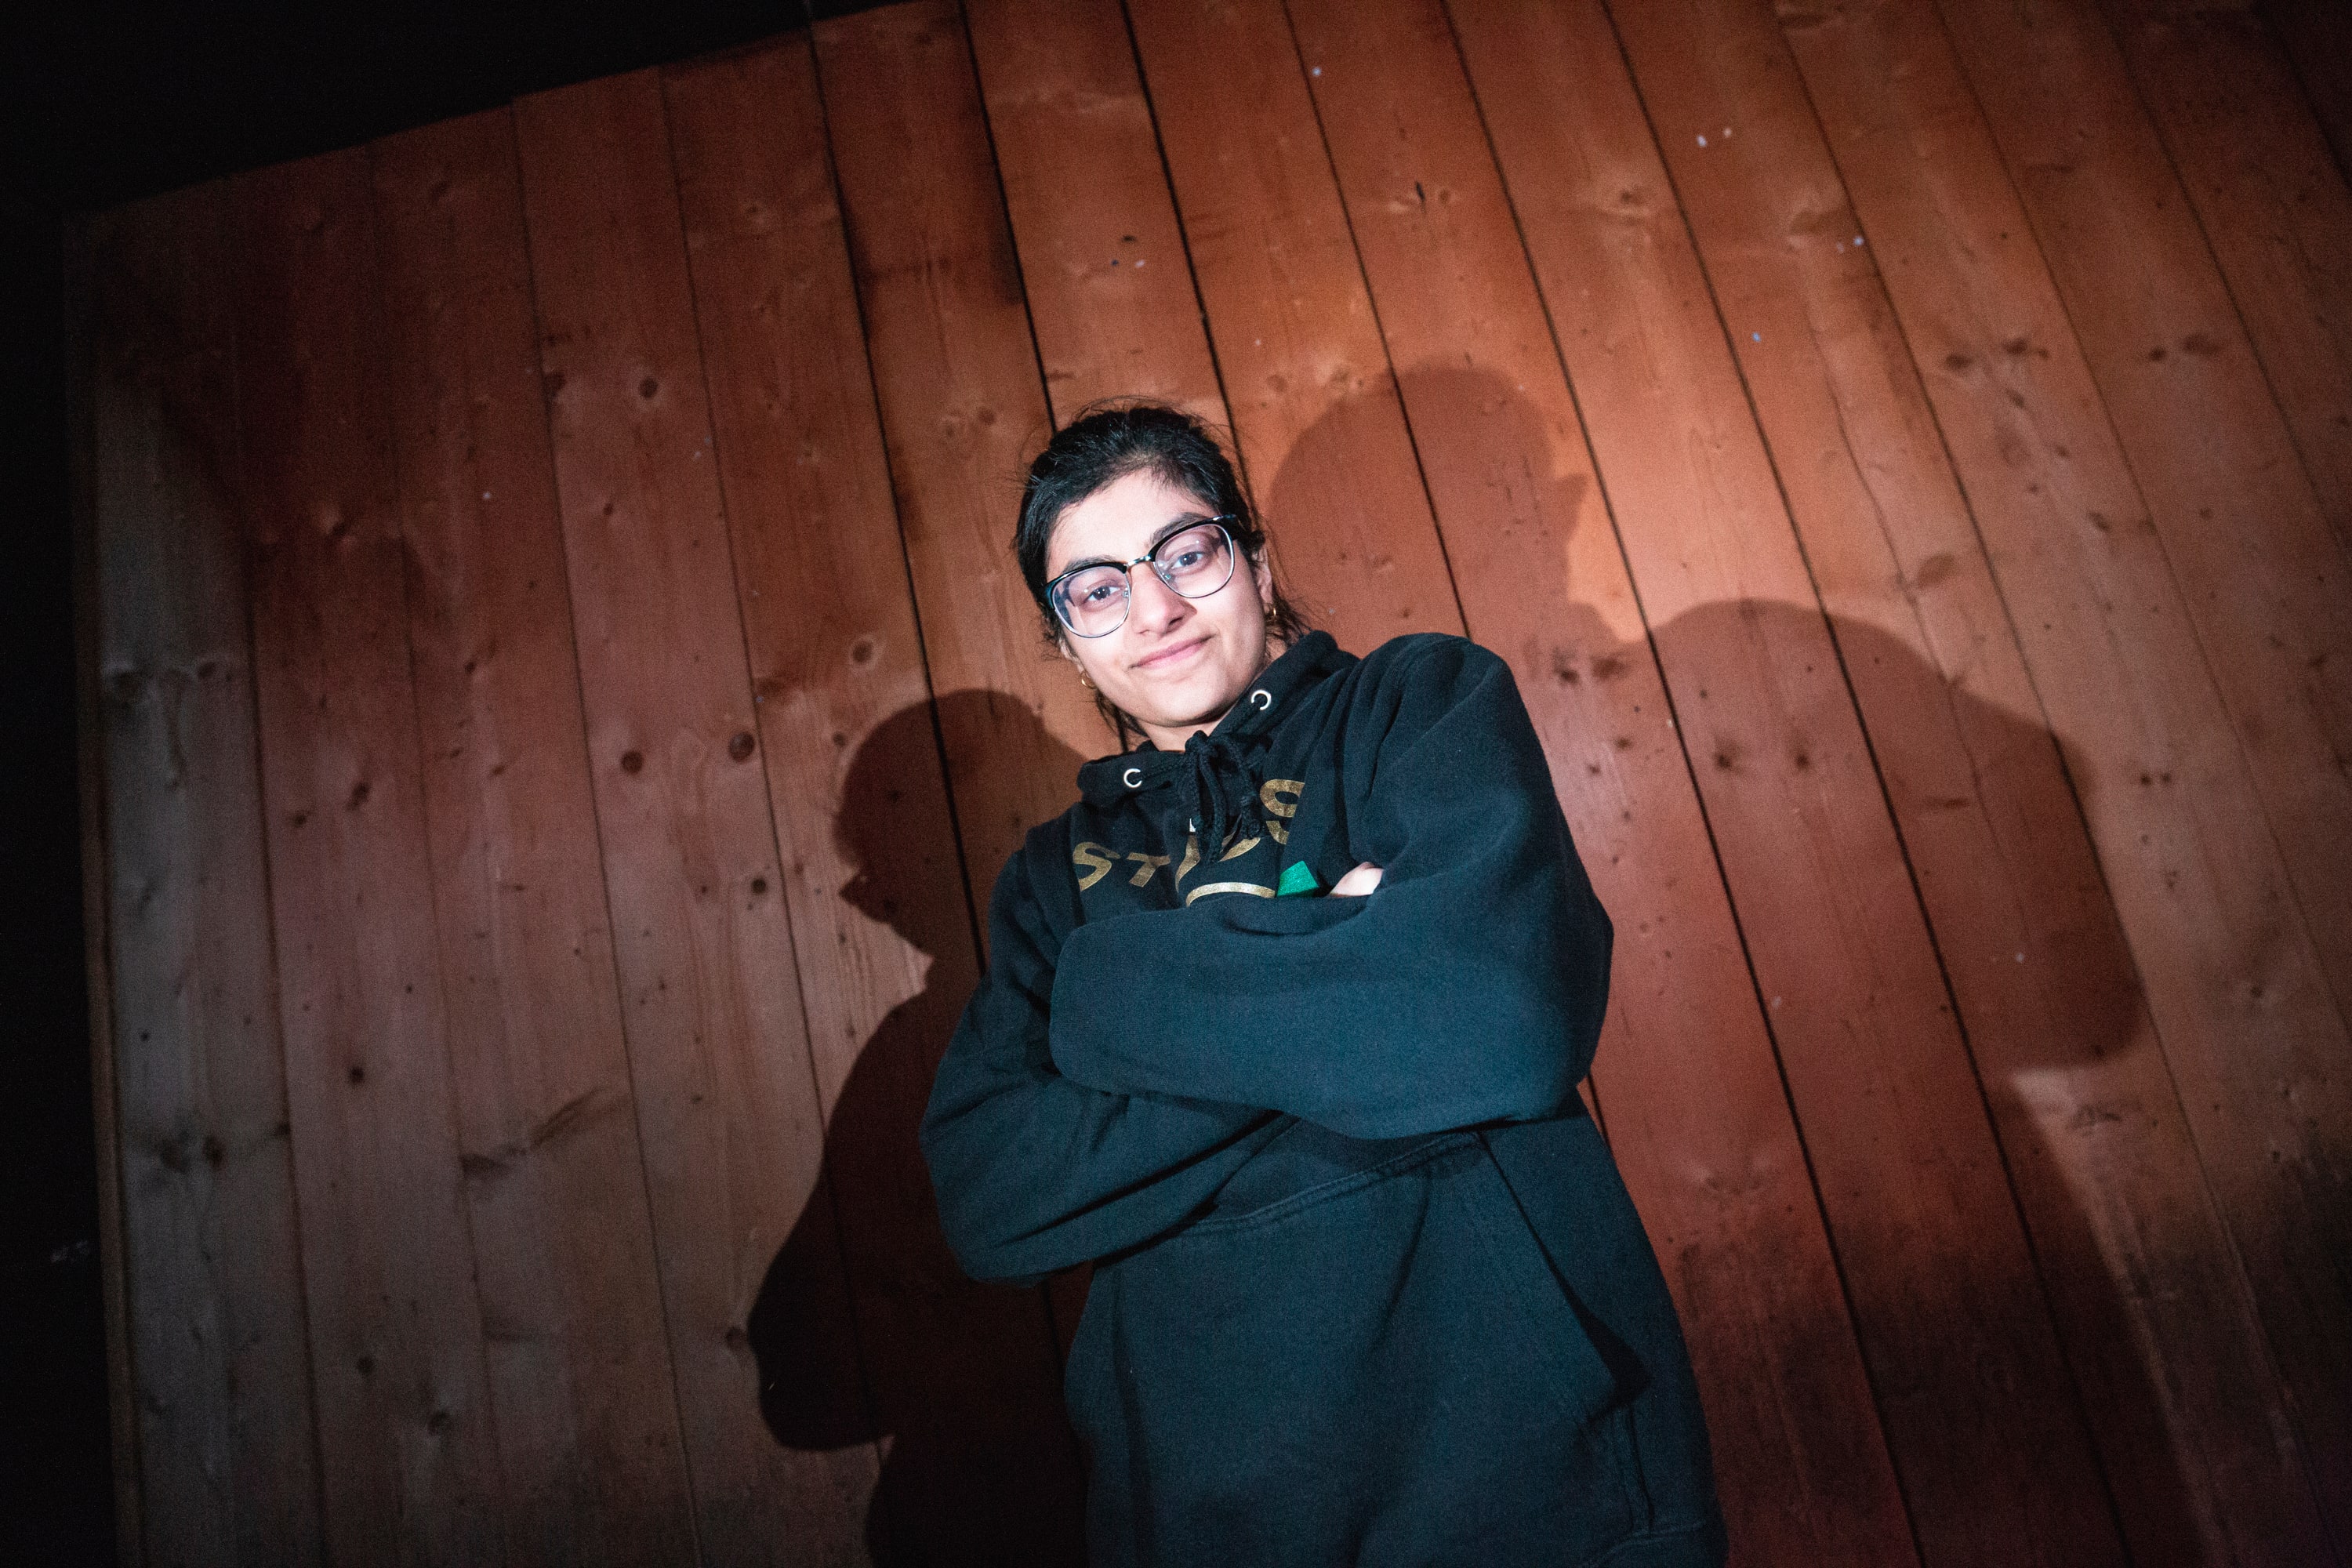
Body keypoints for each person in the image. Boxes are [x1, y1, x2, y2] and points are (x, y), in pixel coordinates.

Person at [919, 402, 1726, 1566]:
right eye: (1096, 589)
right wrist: (1333, 950)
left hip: (1534, 1464)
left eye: (1184, 553)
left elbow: (1506, 1017)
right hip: (1209, 1512)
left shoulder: (1415, 704)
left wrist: (1123, 1002)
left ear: (1251, 561)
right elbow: (990, 1194)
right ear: (1066, 640)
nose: (1154, 609)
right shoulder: (1053, 886)